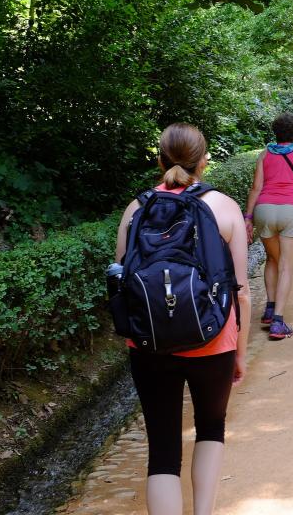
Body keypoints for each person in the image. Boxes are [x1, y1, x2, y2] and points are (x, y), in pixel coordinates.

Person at [115, 123, 251, 515]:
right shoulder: (224, 207)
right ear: (204, 161)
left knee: (161, 450)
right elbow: (240, 291)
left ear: (159, 160)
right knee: (211, 427)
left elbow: (124, 280)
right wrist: (238, 352)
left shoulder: (135, 209)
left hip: (149, 343)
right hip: (213, 338)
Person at [244, 113, 293, 340]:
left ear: (276, 131)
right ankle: (278, 321)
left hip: (264, 209)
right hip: (292, 210)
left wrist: (248, 218)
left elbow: (255, 188)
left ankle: (269, 308)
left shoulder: (264, 155)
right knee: (286, 266)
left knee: (272, 259)